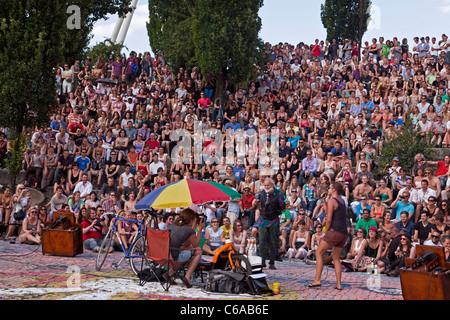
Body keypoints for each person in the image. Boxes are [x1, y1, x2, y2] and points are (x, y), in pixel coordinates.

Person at [309, 182, 348, 290]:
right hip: (343, 232)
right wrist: (323, 201)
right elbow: (331, 211)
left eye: (330, 188)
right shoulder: (342, 200)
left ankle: (317, 280)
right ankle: (339, 284)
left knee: (318, 252)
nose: (328, 189)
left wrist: (326, 231)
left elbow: (329, 218)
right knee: (335, 258)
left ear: (334, 190)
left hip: (334, 231)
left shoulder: (332, 200)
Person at [166, 208, 204, 288]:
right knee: (198, 252)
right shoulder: (187, 230)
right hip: (174, 256)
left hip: (165, 254)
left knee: (186, 248)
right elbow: (195, 245)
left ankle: (169, 274)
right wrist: (200, 229)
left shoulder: (172, 225)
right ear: (190, 220)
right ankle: (187, 276)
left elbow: (187, 243)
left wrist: (193, 227)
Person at [257, 177, 286, 270]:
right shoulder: (262, 193)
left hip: (273, 220)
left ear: (272, 185)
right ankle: (262, 261)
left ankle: (272, 262)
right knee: (262, 241)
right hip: (263, 219)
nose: (266, 187)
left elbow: (282, 206)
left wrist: (283, 205)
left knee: (273, 242)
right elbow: (259, 204)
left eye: (268, 185)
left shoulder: (278, 194)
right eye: (265, 185)